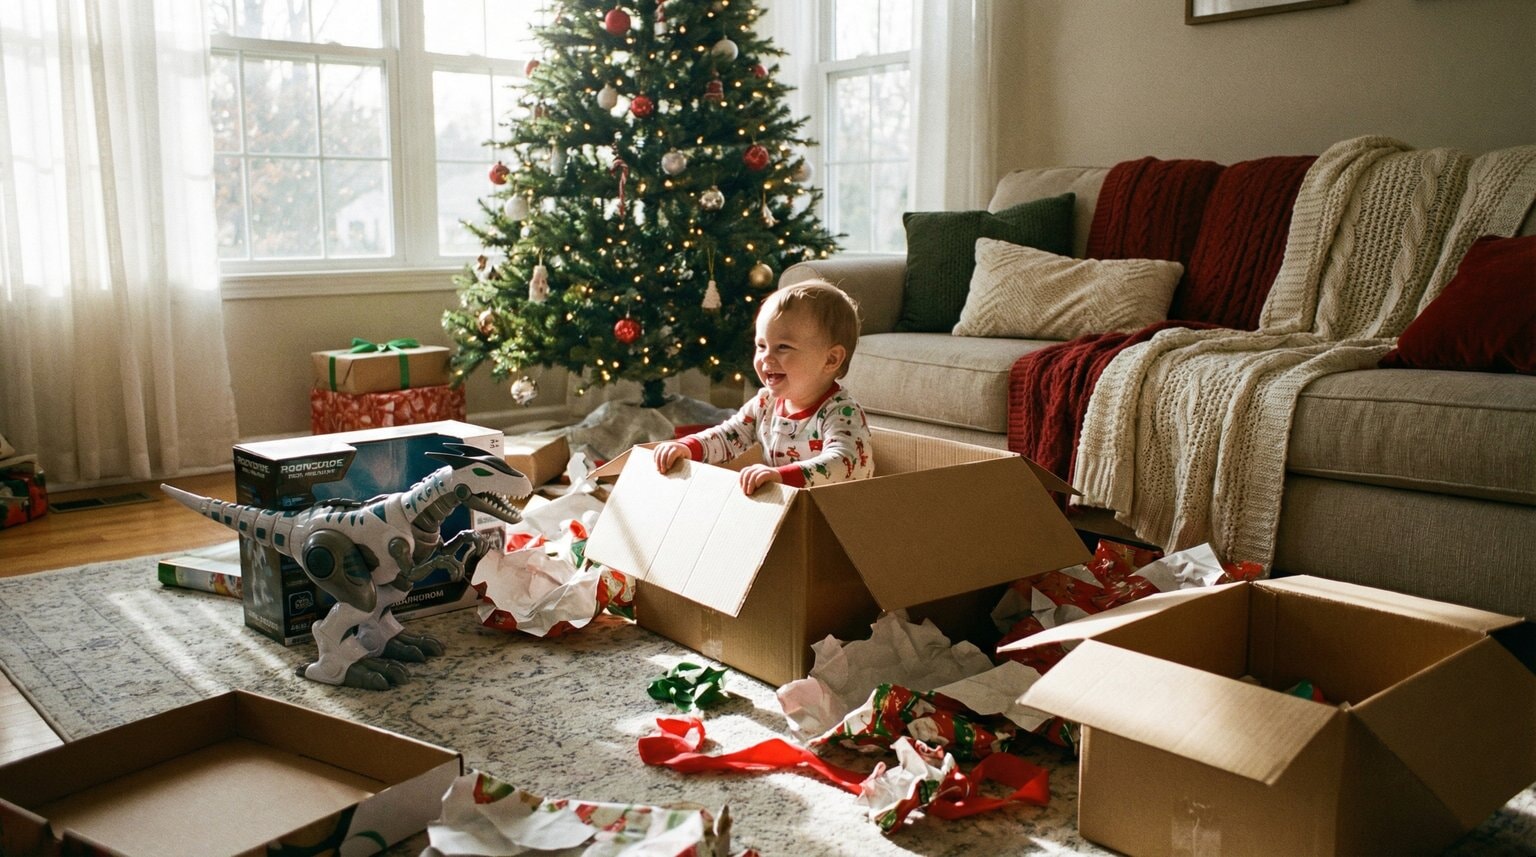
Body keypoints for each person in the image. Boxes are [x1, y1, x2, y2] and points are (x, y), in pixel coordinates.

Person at [653, 280, 874, 494]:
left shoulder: (841, 413)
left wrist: (781, 476)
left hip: (837, 514)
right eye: (761, 345)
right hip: (790, 505)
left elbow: (844, 461)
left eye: (783, 347)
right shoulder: (765, 403)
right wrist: (690, 447)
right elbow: (729, 434)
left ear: (830, 360)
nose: (766, 357)